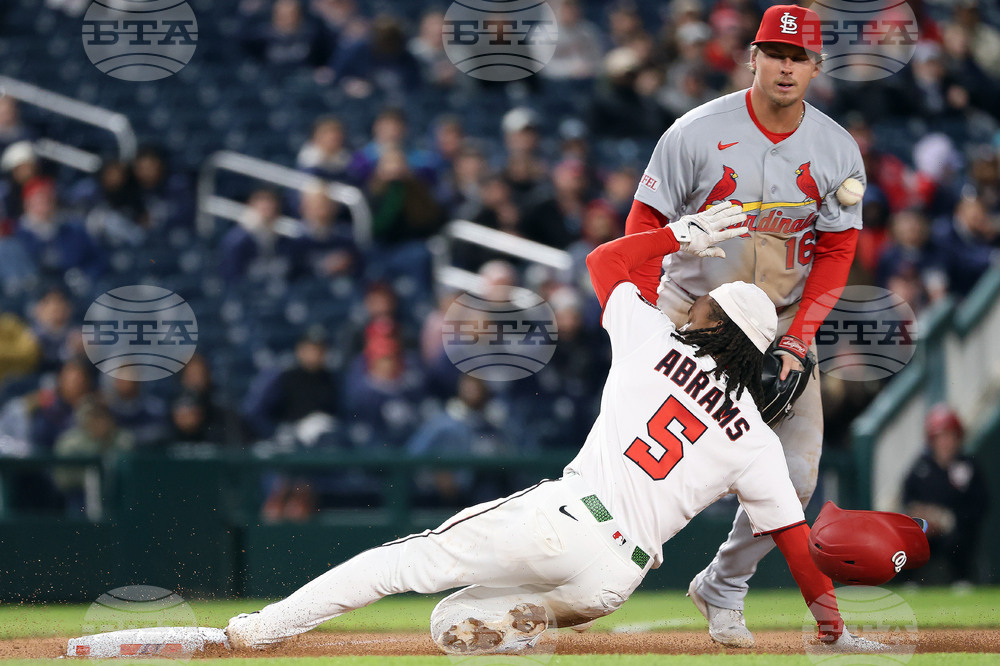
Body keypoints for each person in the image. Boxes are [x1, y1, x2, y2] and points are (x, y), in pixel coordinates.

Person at [224, 203, 881, 655]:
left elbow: (602, 264)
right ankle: (523, 630)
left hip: (566, 520)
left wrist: (676, 236)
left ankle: (262, 628)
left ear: (718, 325)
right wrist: (832, 626)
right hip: (612, 582)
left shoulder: (654, 340)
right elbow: (794, 541)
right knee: (452, 622)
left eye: (706, 307)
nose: (695, 308)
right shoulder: (755, 438)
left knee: (402, 562)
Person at [624, 5, 865, 648]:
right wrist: (641, 312)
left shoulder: (837, 149)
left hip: (780, 322)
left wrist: (800, 336)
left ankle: (723, 586)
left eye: (798, 57)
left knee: (798, 476)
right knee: (642, 459)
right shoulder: (695, 133)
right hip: (691, 311)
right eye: (775, 54)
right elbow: (644, 224)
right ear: (752, 57)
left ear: (816, 67)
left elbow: (838, 250)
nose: (786, 67)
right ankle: (578, 574)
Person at [902, 404, 988, 584]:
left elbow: (980, 503)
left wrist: (950, 519)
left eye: (950, 436)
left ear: (958, 438)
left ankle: (962, 579)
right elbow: (908, 500)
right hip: (927, 531)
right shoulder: (921, 467)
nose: (945, 443)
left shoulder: (968, 466)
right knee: (908, 536)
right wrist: (924, 515)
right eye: (940, 437)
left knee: (963, 537)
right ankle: (909, 582)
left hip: (957, 530)